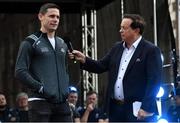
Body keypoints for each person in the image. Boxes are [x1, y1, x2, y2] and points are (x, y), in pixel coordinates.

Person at [69, 14, 163, 122]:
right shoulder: (117, 48)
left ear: (136, 30)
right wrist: (84, 59)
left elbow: (154, 82)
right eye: (120, 27)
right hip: (116, 109)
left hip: (138, 110)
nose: (120, 30)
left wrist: (146, 107)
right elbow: (101, 66)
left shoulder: (151, 50)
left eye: (124, 28)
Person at [15, 3, 72, 122]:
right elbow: (20, 71)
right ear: (41, 16)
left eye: (57, 17)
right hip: (39, 102)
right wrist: (40, 87)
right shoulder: (30, 42)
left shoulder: (62, 43)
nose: (55, 19)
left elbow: (65, 70)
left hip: (62, 103)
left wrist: (65, 89)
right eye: (51, 16)